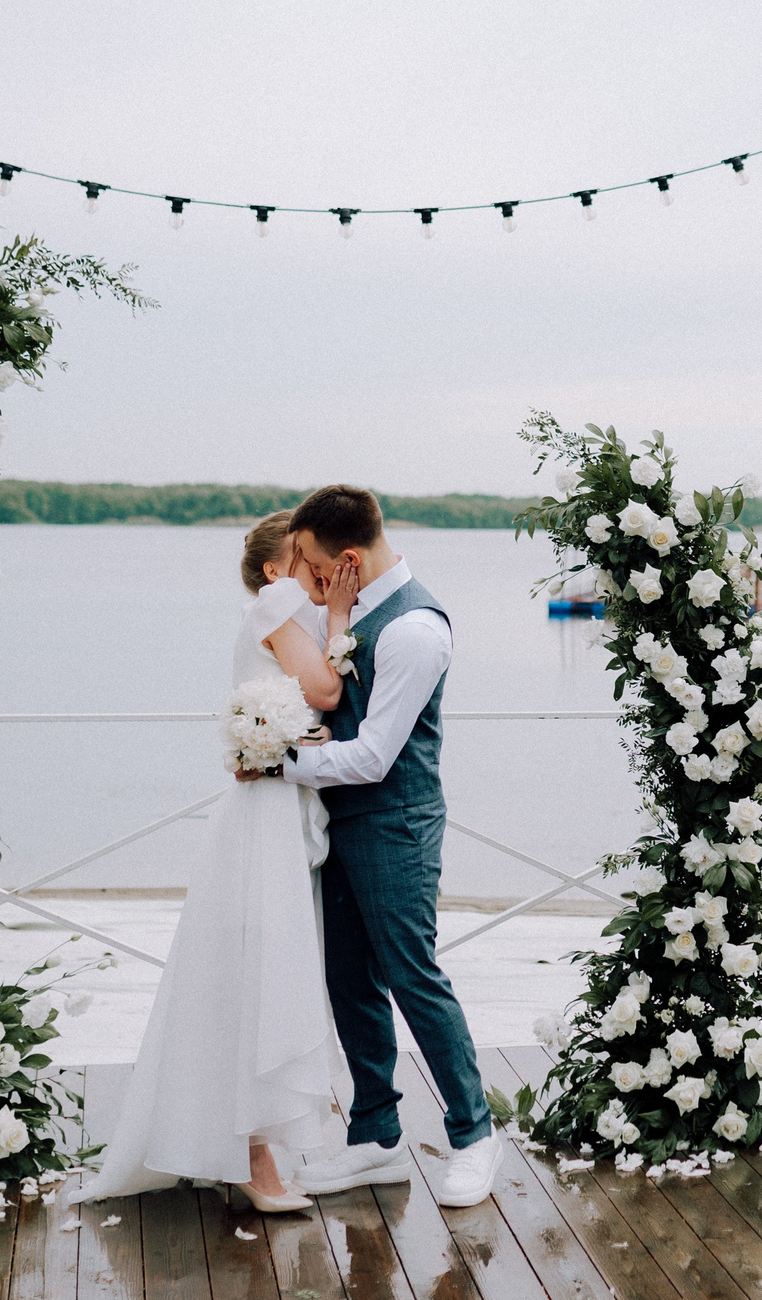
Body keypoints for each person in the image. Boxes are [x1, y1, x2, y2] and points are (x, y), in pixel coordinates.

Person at [77, 511, 356, 1211]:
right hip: (262, 814)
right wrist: (343, 613)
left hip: (275, 802)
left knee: (264, 964)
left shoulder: (276, 610)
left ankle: (244, 1142)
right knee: (259, 969)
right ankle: (249, 1155)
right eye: (307, 557)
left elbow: (309, 700)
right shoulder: (273, 604)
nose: (321, 570)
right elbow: (324, 689)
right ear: (274, 568)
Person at [274, 485, 502, 1210]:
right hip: (340, 821)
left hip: (396, 822)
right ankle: (375, 1135)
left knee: (412, 974)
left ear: (346, 557)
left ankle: (474, 1133)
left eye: (309, 563)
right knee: (348, 977)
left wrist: (281, 761)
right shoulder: (354, 611)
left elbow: (373, 755)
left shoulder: (413, 631)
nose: (306, 578)